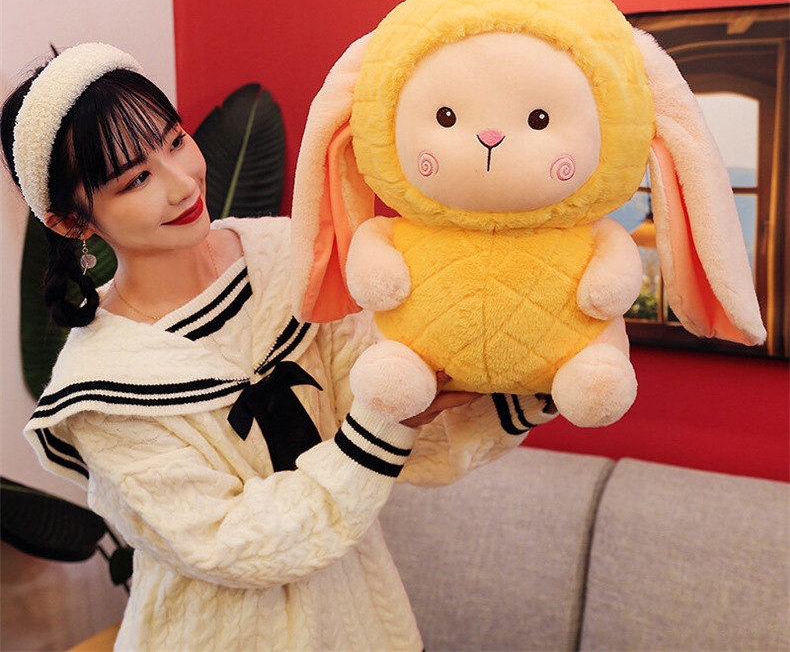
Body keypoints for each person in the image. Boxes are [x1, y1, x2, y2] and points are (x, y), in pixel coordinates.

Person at [1, 43, 556, 651]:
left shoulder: (287, 257)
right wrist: (385, 418)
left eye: (175, 141)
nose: (182, 183)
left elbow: (402, 434)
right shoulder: (100, 389)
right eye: (137, 178)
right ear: (72, 223)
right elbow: (234, 544)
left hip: (358, 620)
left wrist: (531, 363)